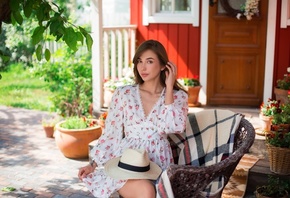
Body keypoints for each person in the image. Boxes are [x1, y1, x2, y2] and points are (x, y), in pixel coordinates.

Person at [78, 39, 188, 198]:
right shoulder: (124, 94)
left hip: (159, 162)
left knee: (153, 192)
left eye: (149, 61)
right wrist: (93, 164)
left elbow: (173, 127)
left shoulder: (177, 97)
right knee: (147, 192)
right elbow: (111, 133)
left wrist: (169, 89)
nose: (143, 67)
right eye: (139, 61)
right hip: (126, 162)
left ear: (164, 66)